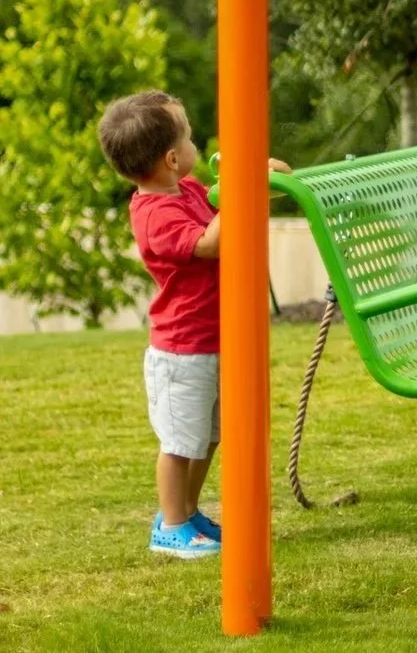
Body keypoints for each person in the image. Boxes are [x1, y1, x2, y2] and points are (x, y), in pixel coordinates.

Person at [97, 90, 289, 559]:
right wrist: (245, 187)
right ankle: (171, 526)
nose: (194, 142)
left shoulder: (189, 191)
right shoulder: (153, 213)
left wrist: (263, 177)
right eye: (187, 136)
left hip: (212, 340)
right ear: (171, 157)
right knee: (180, 442)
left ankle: (187, 510)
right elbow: (209, 243)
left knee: (207, 436)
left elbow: (251, 198)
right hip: (181, 350)